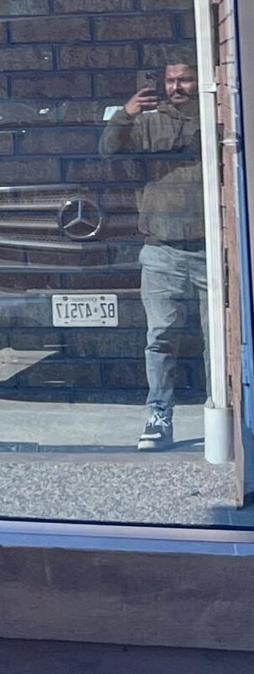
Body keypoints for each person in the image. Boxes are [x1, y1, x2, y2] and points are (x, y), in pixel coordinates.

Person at [99, 55, 206, 453]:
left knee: (220, 342)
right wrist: (125, 114)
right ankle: (159, 417)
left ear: (202, 81)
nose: (178, 87)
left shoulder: (217, 117)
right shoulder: (148, 122)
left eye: (187, 80)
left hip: (211, 249)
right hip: (161, 250)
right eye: (172, 80)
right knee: (160, 339)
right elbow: (109, 150)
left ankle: (233, 420)